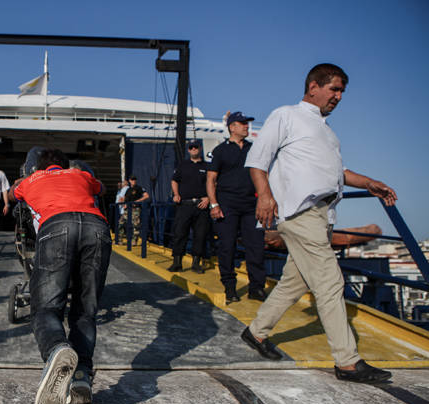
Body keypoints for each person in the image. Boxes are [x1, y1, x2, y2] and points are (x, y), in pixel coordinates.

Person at [243, 63, 395, 384]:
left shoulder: (327, 133)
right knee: (329, 282)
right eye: (334, 89)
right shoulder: (286, 115)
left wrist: (371, 183)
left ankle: (255, 333)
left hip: (323, 215)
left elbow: (337, 174)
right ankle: (348, 362)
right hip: (301, 213)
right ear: (314, 86)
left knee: (293, 283)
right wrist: (264, 196)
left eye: (341, 92)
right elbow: (258, 159)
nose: (338, 97)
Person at [10, 148, 110, 404]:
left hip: (57, 226)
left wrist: (26, 184)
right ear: (66, 165)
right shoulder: (79, 174)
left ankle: (56, 348)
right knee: (85, 310)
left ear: (40, 167)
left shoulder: (33, 179)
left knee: (45, 309)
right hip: (97, 229)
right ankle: (81, 378)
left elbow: (12, 195)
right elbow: (100, 187)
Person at [206, 111, 266, 303]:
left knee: (256, 247)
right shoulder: (220, 151)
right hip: (227, 204)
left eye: (247, 123)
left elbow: (263, 175)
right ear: (232, 127)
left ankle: (256, 288)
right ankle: (230, 288)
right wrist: (214, 204)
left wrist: (267, 200)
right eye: (242, 123)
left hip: (251, 205)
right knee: (227, 247)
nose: (247, 126)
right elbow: (211, 179)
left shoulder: (254, 149)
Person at [168, 142, 210, 273]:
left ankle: (196, 264)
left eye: (195, 147)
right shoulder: (183, 165)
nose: (193, 149)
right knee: (180, 233)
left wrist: (209, 198)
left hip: (201, 205)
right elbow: (174, 180)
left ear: (200, 149)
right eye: (191, 148)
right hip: (185, 204)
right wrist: (176, 194)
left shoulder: (207, 166)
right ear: (188, 150)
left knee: (200, 235)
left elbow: (213, 183)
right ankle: (177, 263)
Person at [122, 175, 149, 245]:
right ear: (129, 181)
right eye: (132, 179)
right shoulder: (128, 190)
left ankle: (134, 240)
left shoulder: (139, 188)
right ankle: (119, 239)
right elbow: (125, 198)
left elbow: (146, 196)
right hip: (128, 209)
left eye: (134, 179)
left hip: (135, 208)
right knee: (121, 223)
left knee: (135, 225)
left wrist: (138, 201)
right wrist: (124, 204)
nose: (133, 181)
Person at [114, 179, 129, 243]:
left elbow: (122, 198)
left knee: (120, 224)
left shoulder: (125, 189)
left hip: (123, 210)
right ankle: (120, 239)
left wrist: (123, 204)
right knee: (123, 224)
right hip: (121, 209)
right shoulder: (121, 190)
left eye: (122, 183)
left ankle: (119, 240)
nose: (121, 184)